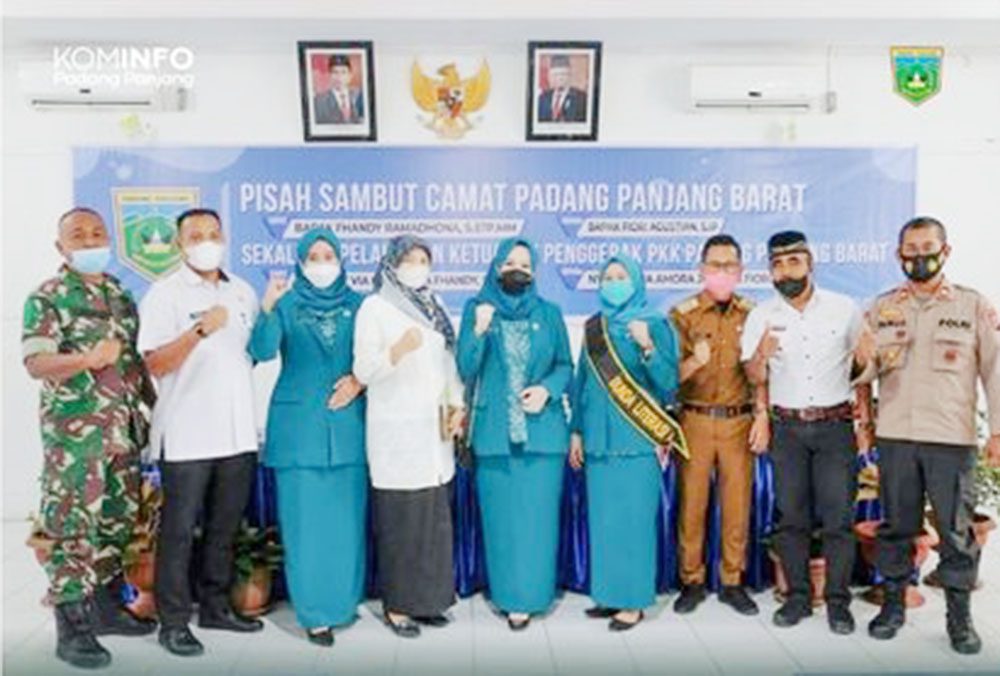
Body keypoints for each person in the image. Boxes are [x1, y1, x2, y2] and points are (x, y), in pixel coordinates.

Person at [22, 207, 158, 669]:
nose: (89, 240)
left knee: (117, 522)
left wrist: (156, 410)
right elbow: (36, 363)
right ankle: (72, 628)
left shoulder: (120, 294)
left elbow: (132, 362)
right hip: (76, 440)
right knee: (72, 529)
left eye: (97, 233)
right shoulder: (48, 296)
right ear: (60, 247)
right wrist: (86, 360)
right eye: (78, 235)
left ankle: (105, 609)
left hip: (123, 433)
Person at [858, 216, 1000, 655]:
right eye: (911, 249)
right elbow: (862, 373)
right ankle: (893, 607)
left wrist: (998, 432)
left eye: (927, 248)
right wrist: (864, 409)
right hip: (896, 437)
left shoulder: (972, 306)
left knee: (956, 532)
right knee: (896, 529)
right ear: (899, 254)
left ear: (945, 251)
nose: (919, 257)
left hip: (951, 440)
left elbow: (995, 372)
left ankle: (959, 619)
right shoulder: (881, 309)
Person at [138, 208, 263, 657]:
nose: (207, 241)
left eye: (213, 233)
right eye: (196, 236)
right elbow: (154, 363)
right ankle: (173, 622)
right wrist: (198, 330)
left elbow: (251, 354)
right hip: (187, 433)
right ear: (179, 244)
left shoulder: (242, 290)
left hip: (237, 433)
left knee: (224, 527)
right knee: (178, 531)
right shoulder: (165, 294)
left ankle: (215, 606)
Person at [741, 230, 872, 635]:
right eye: (777, 265)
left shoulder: (844, 309)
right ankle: (797, 597)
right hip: (788, 430)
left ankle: (838, 603)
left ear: (810, 263)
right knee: (792, 518)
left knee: (837, 519)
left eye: (794, 262)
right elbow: (753, 375)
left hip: (835, 428)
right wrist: (761, 354)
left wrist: (865, 422)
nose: (786, 271)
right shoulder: (761, 315)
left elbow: (863, 369)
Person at [248, 229, 367, 647]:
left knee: (346, 526)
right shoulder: (287, 303)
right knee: (305, 528)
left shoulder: (360, 305)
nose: (321, 263)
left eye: (328, 255)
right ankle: (314, 614)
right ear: (300, 262)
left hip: (349, 430)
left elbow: (373, 357)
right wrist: (266, 307)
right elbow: (262, 351)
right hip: (298, 432)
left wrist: (359, 380)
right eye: (313, 256)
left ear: (341, 260)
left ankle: (343, 604)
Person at [456, 238, 572, 631]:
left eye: (524, 263)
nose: (516, 269)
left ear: (535, 271)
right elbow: (466, 367)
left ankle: (536, 594)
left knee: (538, 523)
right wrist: (478, 329)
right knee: (502, 524)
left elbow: (564, 366)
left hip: (543, 439)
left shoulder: (550, 313)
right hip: (494, 438)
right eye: (509, 262)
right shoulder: (477, 308)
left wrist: (547, 391)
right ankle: (510, 598)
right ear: (495, 267)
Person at [353, 235, 465, 638]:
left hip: (434, 436)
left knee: (434, 522)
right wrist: (397, 350)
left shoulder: (434, 308)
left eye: (423, 259)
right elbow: (363, 371)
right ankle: (399, 607)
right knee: (401, 523)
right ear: (392, 263)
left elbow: (449, 366)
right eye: (410, 259)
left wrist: (457, 405)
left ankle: (430, 602)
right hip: (397, 435)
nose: (417, 266)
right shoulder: (374, 307)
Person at [568, 255, 680, 631]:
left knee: (633, 524)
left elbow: (668, 383)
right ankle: (609, 595)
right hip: (598, 441)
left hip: (637, 440)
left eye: (621, 276)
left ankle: (632, 601)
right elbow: (582, 382)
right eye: (608, 277)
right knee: (604, 524)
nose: (614, 283)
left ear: (636, 281)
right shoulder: (593, 328)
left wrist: (647, 347)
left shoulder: (655, 323)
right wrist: (576, 430)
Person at [670, 234, 768, 617]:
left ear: (740, 271)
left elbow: (762, 375)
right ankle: (691, 580)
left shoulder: (753, 314)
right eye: (715, 265)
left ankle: (732, 581)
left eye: (729, 266)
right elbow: (668, 377)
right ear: (702, 269)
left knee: (736, 505)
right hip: (693, 419)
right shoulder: (683, 315)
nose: (722, 272)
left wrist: (762, 414)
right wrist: (695, 361)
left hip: (738, 421)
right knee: (692, 505)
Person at [314, 54, 364, 124]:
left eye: (343, 72)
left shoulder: (359, 97)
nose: (339, 77)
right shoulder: (319, 101)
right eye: (335, 72)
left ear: (350, 75)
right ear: (330, 75)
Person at [537, 54, 588, 122]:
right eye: (556, 74)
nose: (560, 78)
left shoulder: (581, 98)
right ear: (550, 76)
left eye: (563, 74)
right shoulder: (543, 97)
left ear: (569, 76)